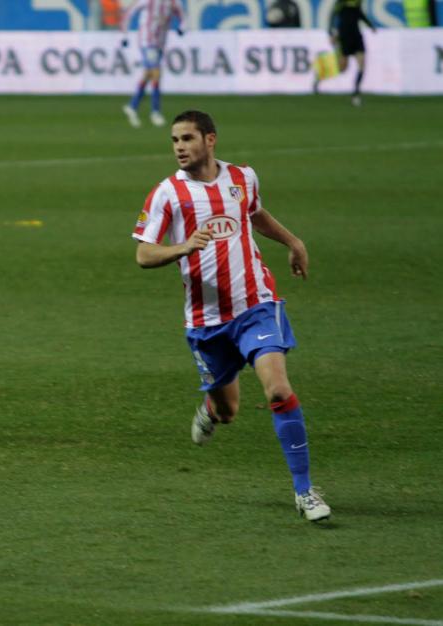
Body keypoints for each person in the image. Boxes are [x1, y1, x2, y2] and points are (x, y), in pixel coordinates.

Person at [132, 110, 331, 522]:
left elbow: (254, 214)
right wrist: (181, 248)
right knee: (228, 412)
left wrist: (293, 241)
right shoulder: (167, 193)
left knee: (277, 389)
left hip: (256, 303)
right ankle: (211, 408)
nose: (179, 148)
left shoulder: (243, 178)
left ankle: (305, 490)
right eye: (174, 140)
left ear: (210, 140)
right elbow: (143, 253)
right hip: (206, 320)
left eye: (187, 138)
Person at [119, 0, 185, 128]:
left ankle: (132, 106)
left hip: (160, 42)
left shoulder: (173, 2)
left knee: (148, 74)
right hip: (146, 41)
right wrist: (124, 36)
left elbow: (182, 15)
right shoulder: (147, 1)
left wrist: (182, 28)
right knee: (156, 73)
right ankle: (155, 112)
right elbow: (129, 13)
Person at [313, 0, 376, 106]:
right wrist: (331, 32)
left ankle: (356, 94)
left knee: (362, 64)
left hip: (356, 35)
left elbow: (359, 14)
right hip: (344, 36)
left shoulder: (358, 2)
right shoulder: (341, 2)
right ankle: (320, 77)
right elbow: (333, 15)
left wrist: (370, 25)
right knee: (342, 68)